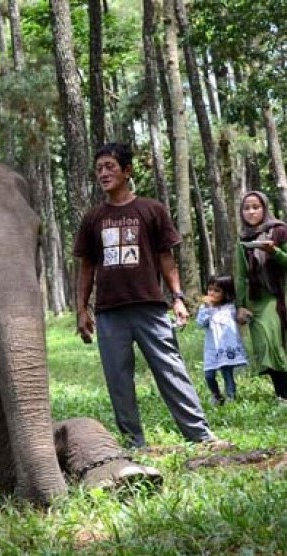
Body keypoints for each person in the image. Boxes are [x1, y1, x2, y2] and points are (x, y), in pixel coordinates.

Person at [74, 142, 229, 449]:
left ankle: (200, 435)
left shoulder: (151, 210)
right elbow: (87, 267)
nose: (103, 173)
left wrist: (178, 297)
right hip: (109, 312)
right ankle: (134, 444)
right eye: (99, 168)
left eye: (110, 167)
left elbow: (165, 258)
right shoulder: (93, 218)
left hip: (150, 307)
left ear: (127, 171)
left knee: (171, 370)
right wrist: (81, 309)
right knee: (118, 381)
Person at [235, 190, 287, 402]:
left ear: (264, 208)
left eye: (256, 207)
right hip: (255, 298)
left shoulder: (280, 231)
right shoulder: (243, 239)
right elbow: (240, 275)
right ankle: (280, 394)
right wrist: (240, 305)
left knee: (275, 344)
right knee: (263, 347)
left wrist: (274, 251)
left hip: (278, 295)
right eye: (247, 208)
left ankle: (284, 394)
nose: (251, 212)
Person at [196, 275, 247, 405]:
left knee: (227, 374)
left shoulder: (230, 308)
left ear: (226, 293)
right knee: (209, 375)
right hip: (212, 348)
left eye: (217, 290)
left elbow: (241, 320)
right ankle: (216, 394)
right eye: (210, 289)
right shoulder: (205, 308)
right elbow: (201, 323)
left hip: (226, 347)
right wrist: (208, 308)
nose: (212, 293)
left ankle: (231, 397)